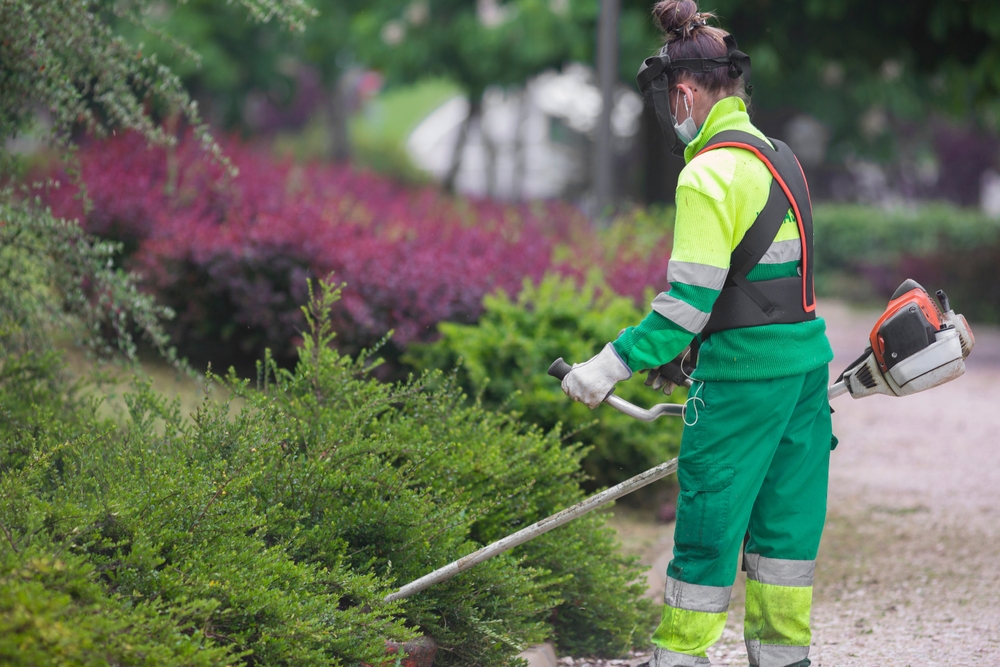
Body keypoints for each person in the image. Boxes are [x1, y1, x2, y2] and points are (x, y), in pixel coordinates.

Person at [560, 2, 835, 666]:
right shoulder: (782, 159)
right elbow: (765, 284)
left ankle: (679, 657)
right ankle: (782, 657)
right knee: (784, 534)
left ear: (683, 93)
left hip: (742, 381)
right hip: (805, 371)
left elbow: (688, 302)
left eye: (668, 101)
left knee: (709, 527)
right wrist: (690, 352)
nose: (669, 115)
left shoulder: (708, 173)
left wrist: (607, 365)